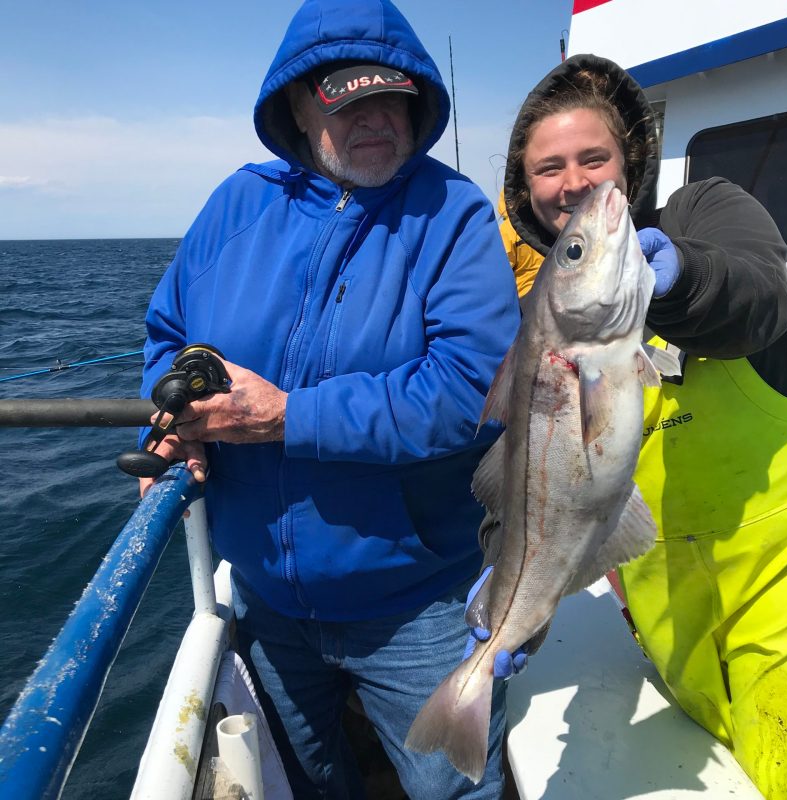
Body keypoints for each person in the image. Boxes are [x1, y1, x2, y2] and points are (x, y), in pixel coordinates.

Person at [136, 1, 521, 797]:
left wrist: (288, 416)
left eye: (394, 101)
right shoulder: (235, 205)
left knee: (454, 787)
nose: (377, 120)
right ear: (298, 107)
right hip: (267, 600)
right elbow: (168, 334)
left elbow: (470, 388)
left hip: (418, 604)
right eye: (350, 103)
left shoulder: (453, 213)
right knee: (303, 782)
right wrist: (180, 419)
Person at [476, 53, 787, 799]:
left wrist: (682, 277)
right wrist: (508, 577)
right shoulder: (532, 325)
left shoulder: (703, 213)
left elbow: (759, 297)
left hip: (786, 598)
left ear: (628, 162)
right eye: (548, 167)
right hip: (673, 648)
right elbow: (529, 474)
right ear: (524, 187)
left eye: (594, 158)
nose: (575, 183)